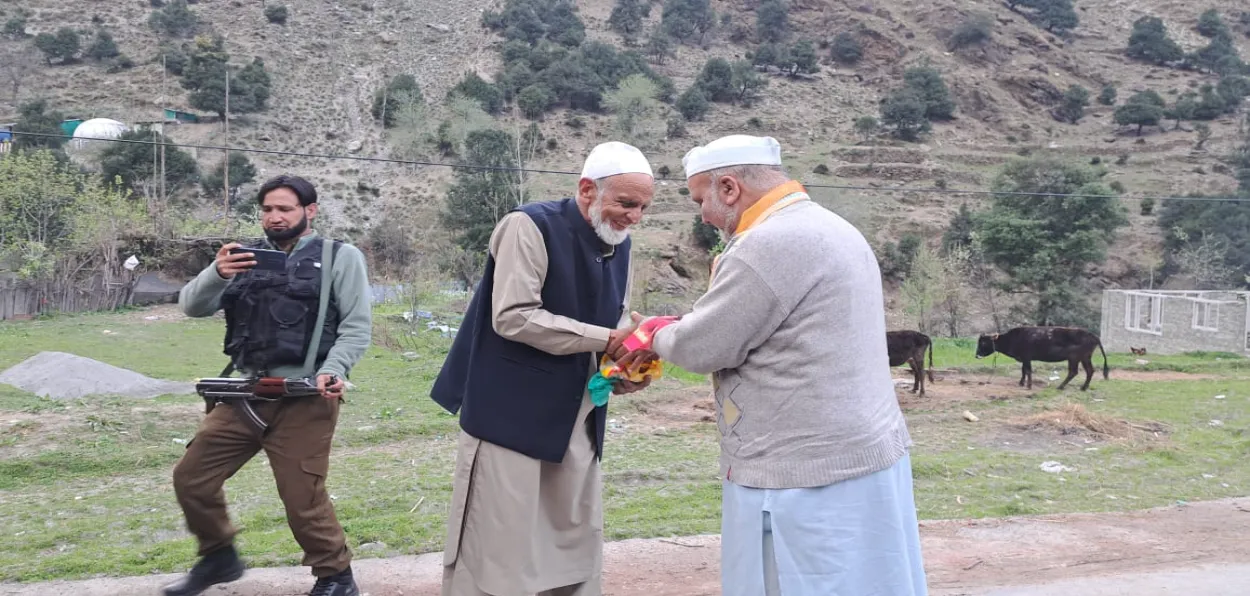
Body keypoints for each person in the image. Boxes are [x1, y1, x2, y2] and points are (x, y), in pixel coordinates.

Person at [618, 135, 929, 595]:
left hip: (804, 476)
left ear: (729, 188)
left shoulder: (769, 243)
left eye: (701, 199)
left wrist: (653, 334)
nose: (702, 215)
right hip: (856, 452)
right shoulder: (829, 226)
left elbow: (706, 346)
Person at [430, 141, 656, 596]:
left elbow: (615, 319)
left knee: (570, 542)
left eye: (643, 208)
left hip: (577, 416)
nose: (634, 217)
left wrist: (622, 364)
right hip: (510, 418)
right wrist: (604, 340)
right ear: (587, 190)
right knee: (497, 551)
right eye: (626, 203)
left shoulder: (620, 243)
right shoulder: (528, 225)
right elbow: (513, 316)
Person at [164, 175, 372, 596]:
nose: (274, 217)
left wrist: (333, 370)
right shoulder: (242, 256)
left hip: (306, 397)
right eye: (267, 209)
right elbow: (192, 306)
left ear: (309, 211)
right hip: (246, 395)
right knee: (192, 478)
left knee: (302, 497)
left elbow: (355, 327)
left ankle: (335, 576)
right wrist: (217, 273)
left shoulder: (340, 257)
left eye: (285, 209)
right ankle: (219, 556)